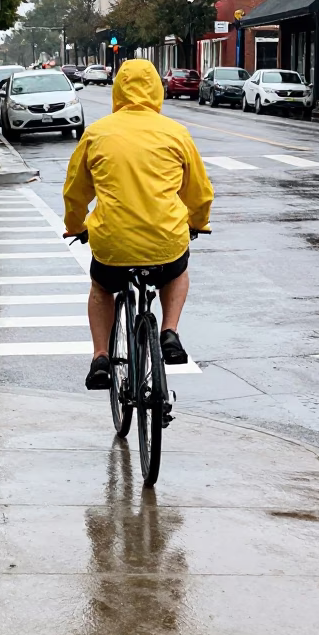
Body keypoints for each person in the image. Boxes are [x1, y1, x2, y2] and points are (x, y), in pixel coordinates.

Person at [63, 58, 213, 391]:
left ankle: (101, 356)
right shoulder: (176, 133)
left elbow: (74, 193)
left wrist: (75, 227)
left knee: (102, 288)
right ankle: (169, 331)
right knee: (176, 272)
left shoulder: (97, 134)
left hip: (112, 245)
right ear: (157, 90)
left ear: (118, 90)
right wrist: (197, 223)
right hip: (165, 241)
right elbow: (200, 194)